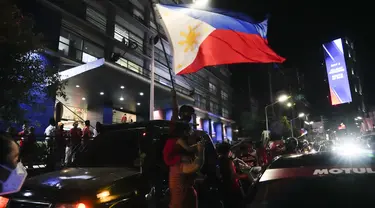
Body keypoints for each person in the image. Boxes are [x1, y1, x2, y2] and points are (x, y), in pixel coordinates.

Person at [164, 124, 205, 208]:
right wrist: (201, 151)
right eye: (189, 133)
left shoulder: (179, 160)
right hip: (181, 204)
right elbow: (196, 166)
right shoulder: (178, 163)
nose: (190, 135)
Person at [217, 142, 248, 208]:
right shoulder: (229, 161)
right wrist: (245, 176)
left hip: (223, 188)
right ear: (228, 151)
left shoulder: (218, 160)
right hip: (232, 187)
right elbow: (234, 176)